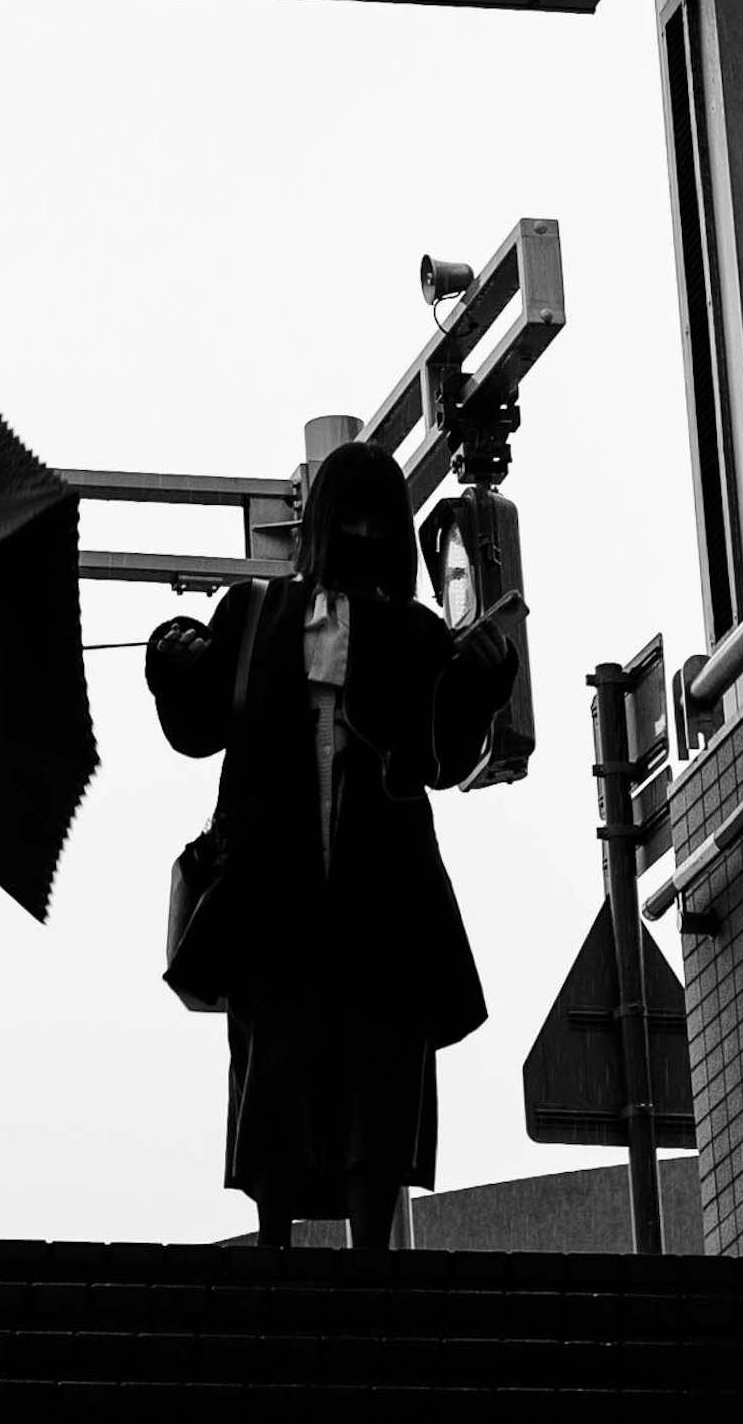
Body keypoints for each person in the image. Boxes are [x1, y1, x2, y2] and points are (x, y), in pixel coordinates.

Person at [146, 434, 521, 1255]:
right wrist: (172, 655)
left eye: (370, 516)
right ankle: (278, 1236)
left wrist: (476, 683)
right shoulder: (254, 613)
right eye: (345, 514)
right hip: (277, 878)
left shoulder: (413, 632)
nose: (356, 530)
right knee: (281, 1056)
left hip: (379, 883)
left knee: (377, 1063)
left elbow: (440, 751)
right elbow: (202, 719)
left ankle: (368, 1241)